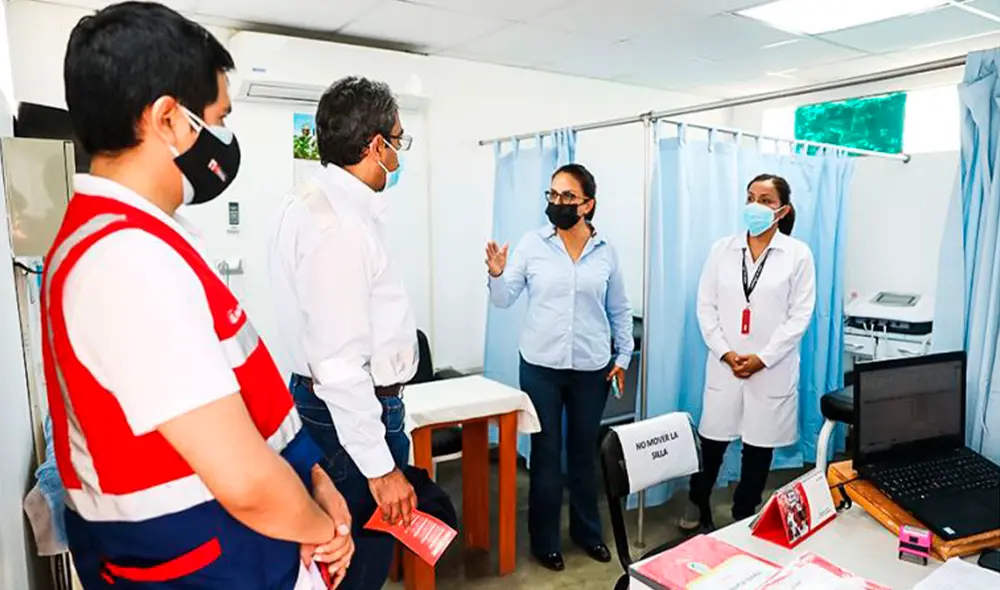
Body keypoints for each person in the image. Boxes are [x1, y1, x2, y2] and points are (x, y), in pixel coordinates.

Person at [45, 3, 353, 588]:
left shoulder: (144, 236)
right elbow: (242, 478)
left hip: (235, 554)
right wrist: (323, 530)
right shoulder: (125, 261)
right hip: (206, 566)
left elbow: (247, 388)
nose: (225, 139)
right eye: (218, 117)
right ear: (167, 119)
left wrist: (312, 473)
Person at [269, 76, 419, 590]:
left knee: (333, 559)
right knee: (356, 562)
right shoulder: (338, 228)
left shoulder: (312, 203)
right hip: (347, 418)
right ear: (376, 146)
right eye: (398, 141)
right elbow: (337, 366)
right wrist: (381, 469)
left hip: (325, 408)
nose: (399, 156)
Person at [485, 163, 633, 572]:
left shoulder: (606, 251)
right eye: (552, 195)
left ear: (589, 204)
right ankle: (544, 541)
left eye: (567, 197)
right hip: (541, 367)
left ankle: (588, 533)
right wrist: (497, 274)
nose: (558, 203)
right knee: (547, 455)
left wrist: (621, 358)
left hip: (591, 368)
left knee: (583, 453)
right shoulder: (534, 244)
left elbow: (619, 309)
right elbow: (504, 298)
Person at [680, 173, 817, 533]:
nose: (756, 205)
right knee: (712, 442)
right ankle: (698, 501)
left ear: (782, 209)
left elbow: (800, 315)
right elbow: (705, 307)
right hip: (726, 364)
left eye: (766, 200)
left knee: (759, 447)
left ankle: (744, 513)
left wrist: (763, 357)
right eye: (751, 197)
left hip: (770, 367)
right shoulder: (722, 250)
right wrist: (726, 353)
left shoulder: (797, 254)